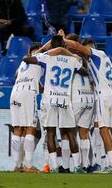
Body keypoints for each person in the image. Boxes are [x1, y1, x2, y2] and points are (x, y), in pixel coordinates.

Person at [23, 35, 87, 173]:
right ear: (64, 45)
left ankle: (54, 168)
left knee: (50, 133)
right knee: (70, 133)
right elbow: (84, 72)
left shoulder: (47, 57)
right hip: (65, 99)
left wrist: (45, 50)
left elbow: (26, 59)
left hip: (49, 99)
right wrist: (69, 54)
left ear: (51, 46)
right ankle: (77, 166)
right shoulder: (72, 60)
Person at [62, 38, 112, 173]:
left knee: (103, 130)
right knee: (106, 129)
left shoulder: (96, 54)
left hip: (103, 95)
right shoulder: (104, 58)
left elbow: (77, 46)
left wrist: (63, 38)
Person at [10, 44, 43, 173]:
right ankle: (28, 166)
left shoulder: (23, 65)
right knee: (30, 128)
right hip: (28, 93)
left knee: (17, 129)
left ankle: (17, 166)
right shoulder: (40, 59)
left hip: (15, 93)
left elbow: (15, 75)